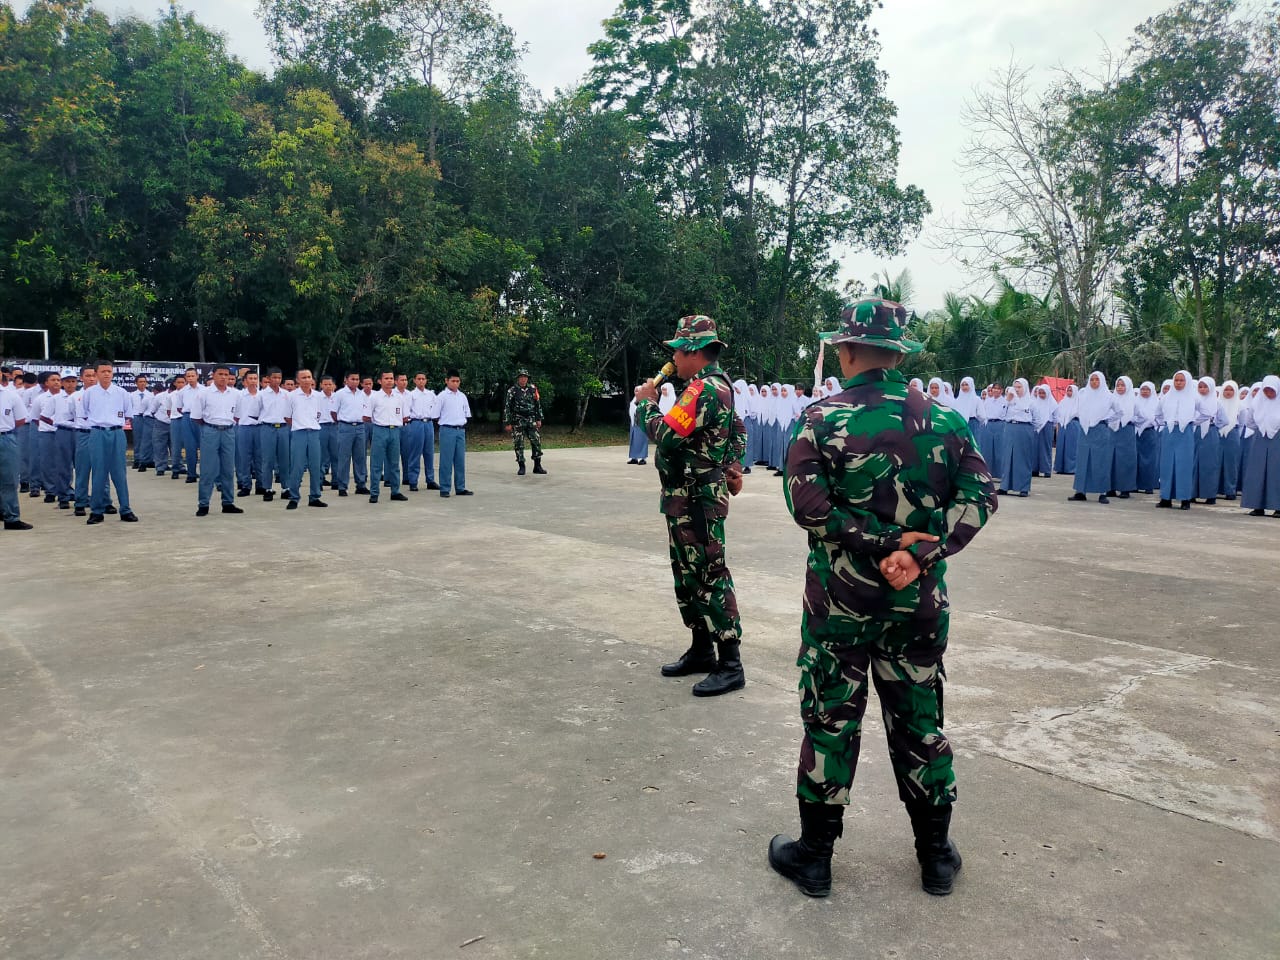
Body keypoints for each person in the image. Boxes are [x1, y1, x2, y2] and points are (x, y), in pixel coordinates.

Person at [770, 297, 997, 899]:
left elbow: (808, 509)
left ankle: (815, 858)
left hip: (839, 608)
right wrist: (916, 550)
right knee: (921, 724)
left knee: (830, 722)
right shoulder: (947, 422)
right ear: (899, 354)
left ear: (845, 351)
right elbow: (980, 499)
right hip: (915, 606)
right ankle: (935, 858)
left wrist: (878, 540)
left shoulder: (819, 420)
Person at [633, 315, 747, 698]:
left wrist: (646, 405)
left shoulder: (703, 390)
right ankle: (702, 649)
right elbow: (738, 430)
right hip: (684, 497)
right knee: (687, 575)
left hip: (696, 499)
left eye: (678, 352)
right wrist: (731, 466)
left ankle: (730, 662)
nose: (674, 361)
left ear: (695, 352)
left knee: (710, 574)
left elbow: (665, 437)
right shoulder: (719, 386)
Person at [83, 360, 139, 524]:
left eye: (109, 371)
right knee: (99, 473)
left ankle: (126, 509)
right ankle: (97, 511)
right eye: (103, 371)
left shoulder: (122, 393)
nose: (107, 374)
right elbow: (85, 413)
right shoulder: (89, 393)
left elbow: (128, 413)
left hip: (117, 433)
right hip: (97, 433)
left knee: (119, 473)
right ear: (96, 373)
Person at [190, 364, 243, 516]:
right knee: (208, 469)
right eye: (220, 374)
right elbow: (197, 417)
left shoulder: (235, 394)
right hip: (210, 430)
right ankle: (204, 504)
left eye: (226, 375)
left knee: (228, 469)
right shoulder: (204, 394)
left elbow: (237, 416)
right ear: (213, 375)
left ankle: (228, 502)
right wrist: (210, 427)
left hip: (228, 431)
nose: (224, 377)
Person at [1070, 371, 1118, 505]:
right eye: (1092, 379)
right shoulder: (1083, 394)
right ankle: (1080, 491)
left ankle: (1102, 493)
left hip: (1100, 431)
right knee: (1082, 460)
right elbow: (1076, 408)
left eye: (1097, 380)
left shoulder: (1108, 396)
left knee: (1100, 461)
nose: (1094, 382)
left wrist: (1106, 419)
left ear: (1102, 381)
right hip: (1085, 430)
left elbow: (1119, 411)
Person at [283, 369, 328, 510]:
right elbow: (287, 417)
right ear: (298, 380)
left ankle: (315, 496)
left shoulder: (318, 396)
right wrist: (300, 425)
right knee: (297, 466)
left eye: (309, 377)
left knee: (316, 466)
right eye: (303, 377)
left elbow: (319, 414)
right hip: (299, 433)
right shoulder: (291, 396)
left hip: (314, 433)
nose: (307, 380)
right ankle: (294, 497)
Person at [367, 370, 409, 503]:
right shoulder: (374, 397)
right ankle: (374, 493)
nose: (389, 381)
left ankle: (395, 491)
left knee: (394, 463)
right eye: (386, 378)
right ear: (380, 381)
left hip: (395, 430)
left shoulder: (399, 398)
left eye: (391, 378)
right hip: (380, 430)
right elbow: (366, 416)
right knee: (377, 463)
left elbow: (404, 416)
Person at [1157, 370, 1198, 510]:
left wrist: (1193, 422)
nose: (1179, 383)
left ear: (1187, 381)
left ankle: (1184, 498)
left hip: (1185, 432)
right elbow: (1157, 413)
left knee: (1184, 465)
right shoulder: (1166, 397)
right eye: (1176, 380)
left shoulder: (1194, 397)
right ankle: (1165, 498)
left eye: (1181, 380)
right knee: (1167, 465)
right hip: (1169, 431)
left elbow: (1207, 412)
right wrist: (1166, 422)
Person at [1241, 375, 1280, 517]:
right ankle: (1257, 506)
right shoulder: (1257, 402)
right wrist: (1260, 428)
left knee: (1276, 472)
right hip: (1260, 438)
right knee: (1257, 472)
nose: (1269, 393)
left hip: (1278, 439)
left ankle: (1278, 506)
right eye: (1266, 390)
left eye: (1272, 390)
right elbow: (1249, 420)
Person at [0, 374, 32, 529]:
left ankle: (11, 517)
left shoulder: (10, 395)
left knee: (9, 479)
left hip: (5, 438)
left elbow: (20, 419)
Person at [332, 372, 371, 497]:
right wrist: (341, 423)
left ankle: (361, 484)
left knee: (360, 457)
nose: (355, 381)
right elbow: (333, 412)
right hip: (345, 426)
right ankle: (342, 486)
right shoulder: (340, 394)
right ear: (346, 380)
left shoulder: (362, 394)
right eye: (352, 379)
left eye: (357, 379)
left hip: (360, 427)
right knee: (344, 458)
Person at [1192, 376, 1228, 505]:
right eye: (1200, 387)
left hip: (1211, 434)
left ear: (1211, 388)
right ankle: (1192, 493)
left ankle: (1210, 495)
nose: (1202, 389)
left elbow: (1224, 420)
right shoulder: (1193, 401)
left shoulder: (1217, 403)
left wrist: (1214, 425)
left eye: (1205, 387)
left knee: (1210, 464)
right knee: (1193, 462)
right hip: (1194, 432)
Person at [436, 371, 472, 497]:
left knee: (460, 460)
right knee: (446, 460)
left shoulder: (462, 396)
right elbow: (435, 414)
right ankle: (445, 488)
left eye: (457, 381)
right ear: (447, 381)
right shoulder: (442, 396)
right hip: (447, 429)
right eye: (453, 381)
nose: (455, 383)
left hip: (460, 430)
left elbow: (466, 413)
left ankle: (460, 487)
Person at [504, 369, 546, 476]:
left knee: (536, 441)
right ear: (518, 378)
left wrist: (539, 418)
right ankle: (521, 466)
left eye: (525, 377)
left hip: (531, 419)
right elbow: (507, 407)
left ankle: (537, 466)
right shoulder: (512, 391)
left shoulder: (532, 389)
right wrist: (507, 422)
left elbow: (537, 404)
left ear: (527, 378)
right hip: (518, 420)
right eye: (521, 377)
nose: (523, 379)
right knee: (519, 443)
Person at [257, 367, 290, 502]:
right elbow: (255, 413)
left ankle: (286, 488)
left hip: (283, 428)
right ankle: (267, 488)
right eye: (274, 377)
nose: (277, 380)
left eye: (279, 377)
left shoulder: (286, 394)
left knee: (284, 459)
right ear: (268, 378)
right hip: (267, 427)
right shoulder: (261, 395)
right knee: (267, 460)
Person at [404, 373, 439, 491]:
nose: (421, 381)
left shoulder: (431, 394)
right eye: (418, 379)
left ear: (426, 380)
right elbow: (406, 409)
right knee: (415, 452)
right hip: (416, 422)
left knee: (429, 452)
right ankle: (413, 480)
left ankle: (430, 479)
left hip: (428, 422)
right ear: (414, 380)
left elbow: (436, 408)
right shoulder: (411, 395)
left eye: (423, 379)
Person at [1109, 376, 1138, 498]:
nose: (1120, 388)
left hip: (1127, 431)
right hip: (1112, 430)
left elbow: (1140, 416)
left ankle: (1125, 488)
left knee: (1125, 459)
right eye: (1118, 385)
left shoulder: (1134, 400)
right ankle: (1111, 487)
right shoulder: (1111, 399)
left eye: (1122, 385)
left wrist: (1132, 422)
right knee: (1112, 458)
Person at [234, 371, 262, 496]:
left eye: (255, 378)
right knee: (244, 458)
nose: (253, 380)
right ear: (245, 381)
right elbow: (235, 415)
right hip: (244, 428)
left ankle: (261, 485)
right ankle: (245, 485)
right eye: (250, 378)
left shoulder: (262, 395)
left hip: (260, 428)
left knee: (260, 458)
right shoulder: (239, 396)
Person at [1134, 381, 1161, 494]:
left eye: (1147, 389)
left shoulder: (1156, 403)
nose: (1144, 392)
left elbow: (1158, 418)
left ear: (1152, 391)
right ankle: (1134, 484)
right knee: (1136, 459)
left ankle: (1148, 485)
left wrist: (1149, 420)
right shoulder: (1136, 402)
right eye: (1143, 389)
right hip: (1136, 433)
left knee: (1149, 460)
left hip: (1149, 433)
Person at [1218, 380, 1242, 500]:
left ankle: (1230, 490)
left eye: (1231, 389)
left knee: (1231, 463)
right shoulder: (1217, 403)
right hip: (1217, 433)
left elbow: (1244, 421)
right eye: (1226, 389)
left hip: (1232, 433)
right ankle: (1215, 489)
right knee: (1216, 462)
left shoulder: (1240, 404)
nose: (1228, 392)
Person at [627, 386, 650, 465]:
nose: (636, 392)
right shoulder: (634, 400)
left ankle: (643, 458)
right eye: (635, 391)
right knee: (633, 440)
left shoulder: (646, 400)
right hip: (634, 424)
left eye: (638, 391)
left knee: (642, 440)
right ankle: (634, 458)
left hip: (642, 424)